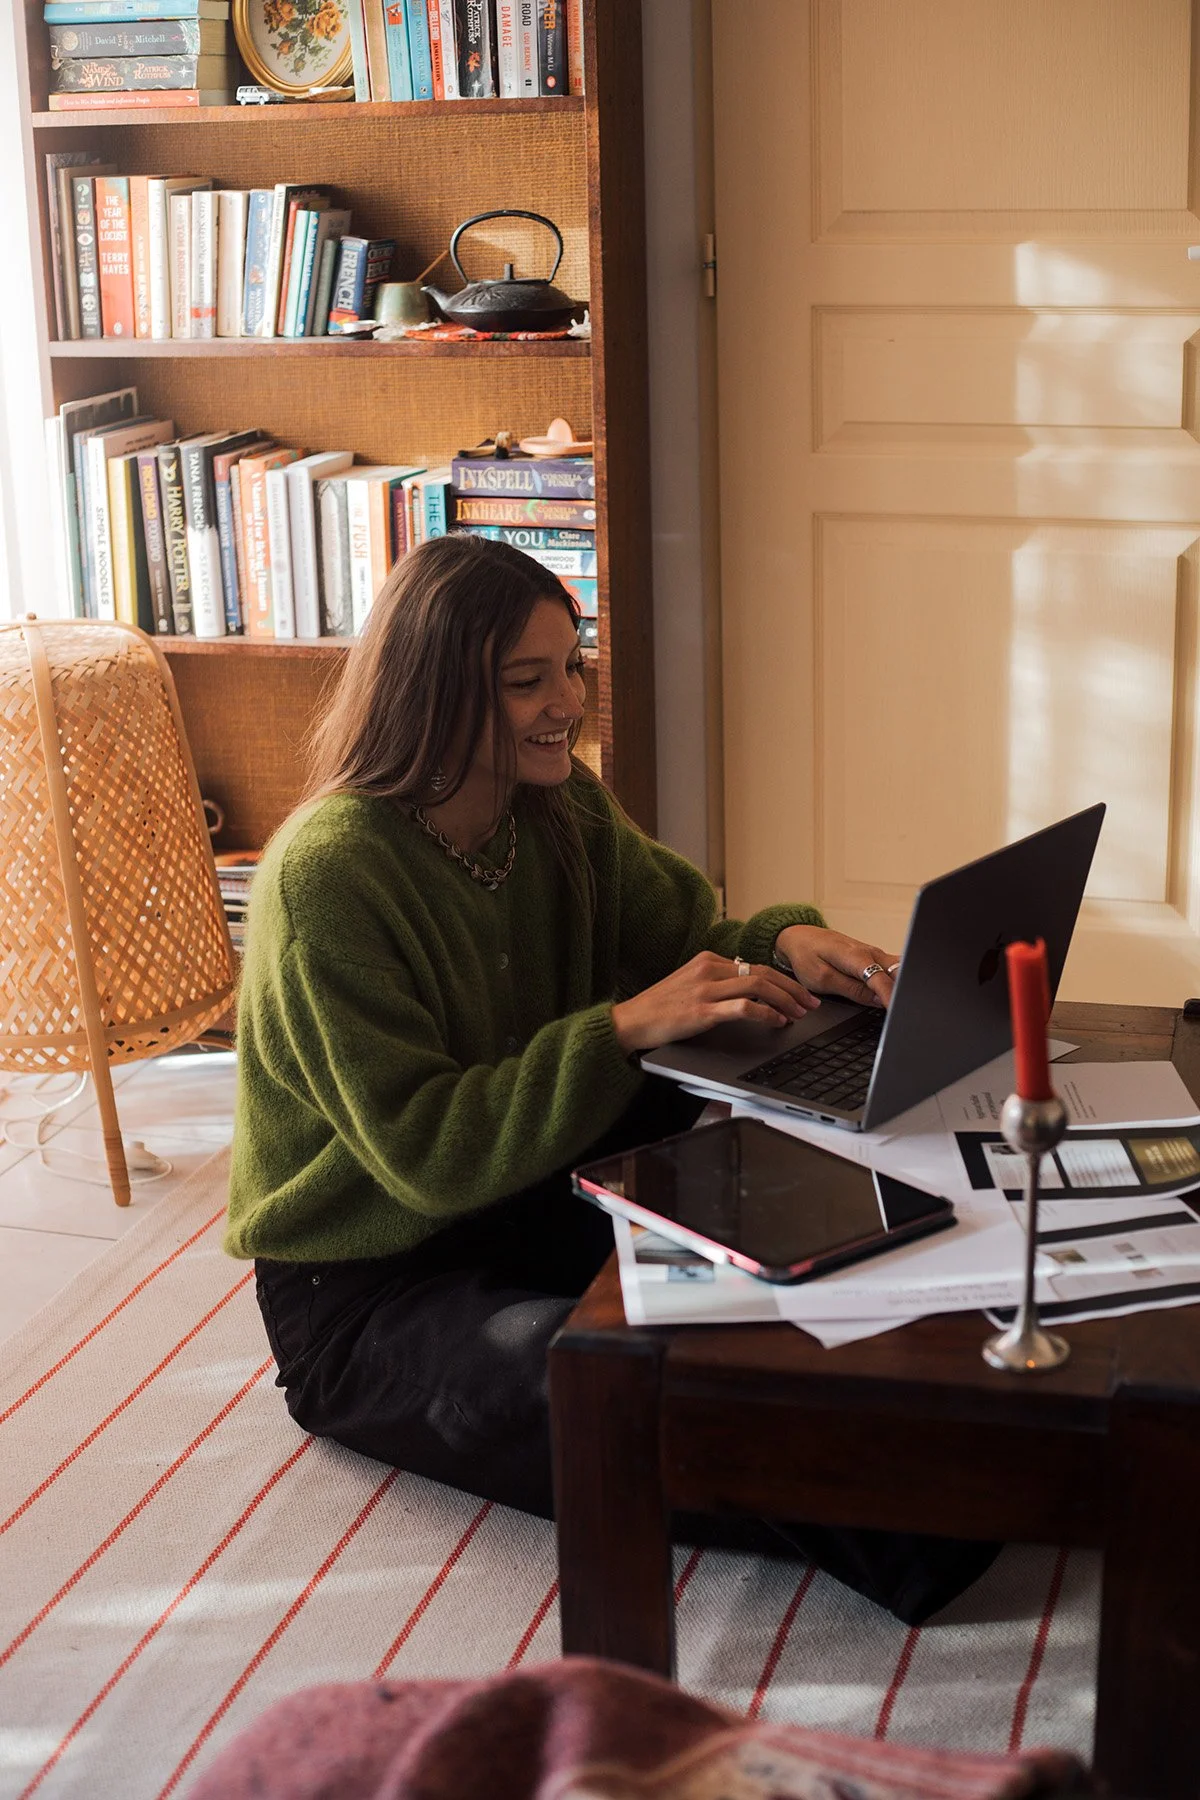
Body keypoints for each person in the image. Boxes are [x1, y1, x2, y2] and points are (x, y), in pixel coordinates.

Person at [227, 532, 998, 1624]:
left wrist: (785, 943)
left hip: (540, 1184)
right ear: (435, 693)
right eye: (526, 681)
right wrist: (621, 1030)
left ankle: (956, 1374)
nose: (567, 702)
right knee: (624, 1395)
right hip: (371, 1282)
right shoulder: (326, 877)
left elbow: (686, 943)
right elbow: (428, 1156)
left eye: (573, 663)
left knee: (777, 1195)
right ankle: (928, 1510)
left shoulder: (557, 805)